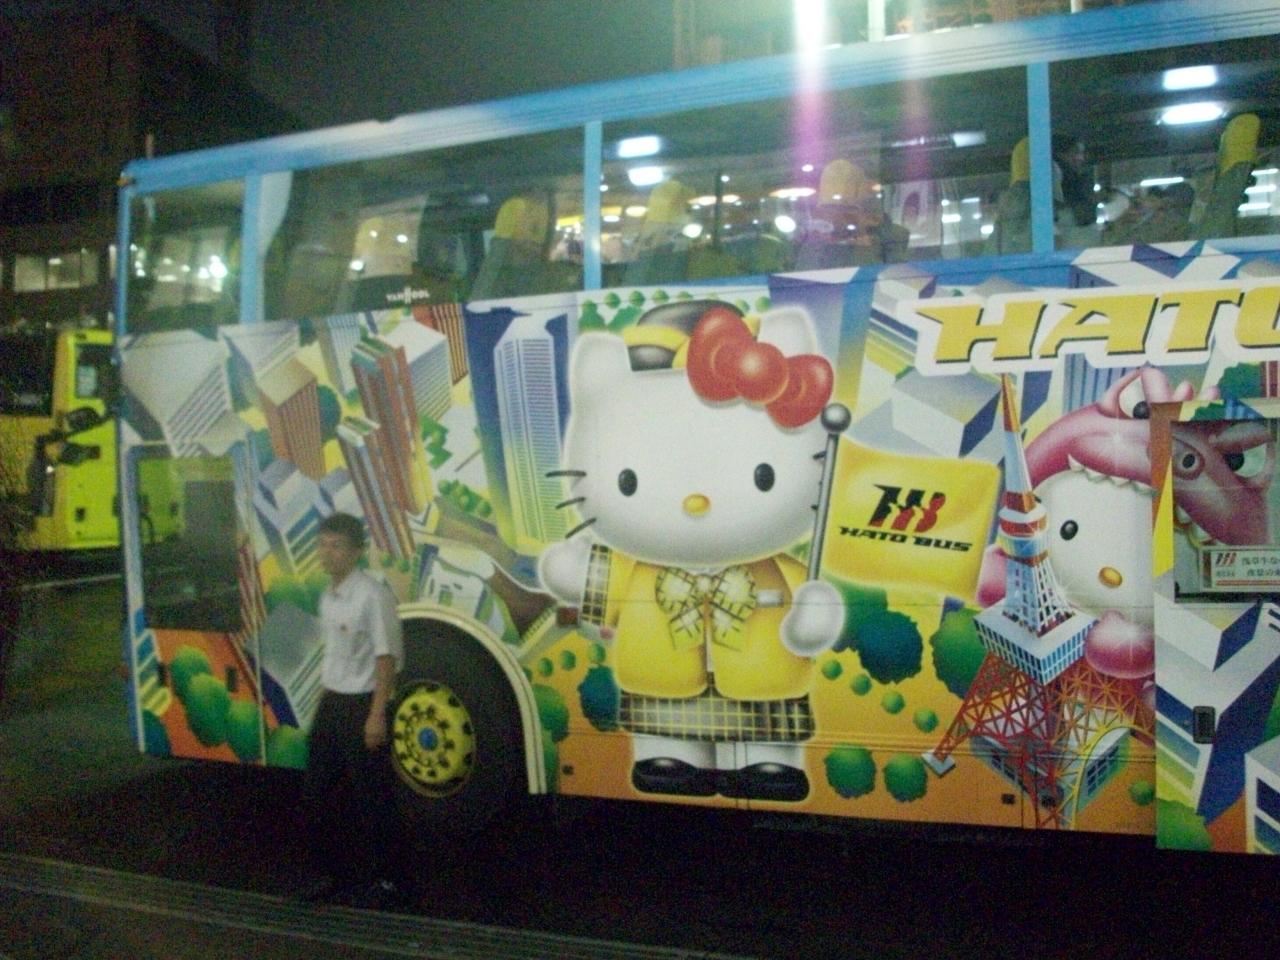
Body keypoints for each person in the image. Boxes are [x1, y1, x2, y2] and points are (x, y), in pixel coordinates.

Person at [301, 511, 406, 908]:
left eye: (336, 546)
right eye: (322, 544)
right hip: (333, 701)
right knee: (319, 793)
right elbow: (334, 654)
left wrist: (377, 715)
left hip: (363, 704)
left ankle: (387, 880)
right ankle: (332, 874)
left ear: (356, 551)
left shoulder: (373, 596)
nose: (326, 553)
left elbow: (386, 657)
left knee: (372, 796)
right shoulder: (328, 595)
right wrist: (322, 698)